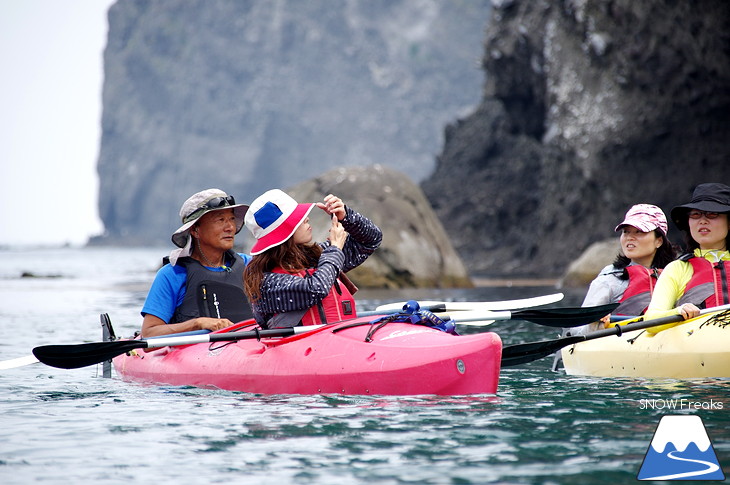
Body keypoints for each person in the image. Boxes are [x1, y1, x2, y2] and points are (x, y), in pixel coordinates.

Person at [243, 189, 382, 328]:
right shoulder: (266, 281)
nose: (306, 218)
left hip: (341, 342)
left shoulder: (314, 256)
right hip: (297, 348)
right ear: (284, 233)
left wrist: (346, 217)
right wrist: (335, 249)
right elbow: (316, 289)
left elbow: (372, 239)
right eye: (298, 218)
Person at [140, 189, 252, 337]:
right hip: (194, 354)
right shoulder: (172, 274)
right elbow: (149, 333)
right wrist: (198, 323)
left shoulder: (249, 265)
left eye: (231, 219)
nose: (230, 227)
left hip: (246, 348)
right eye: (220, 220)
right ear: (195, 230)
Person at [571, 204, 676, 336]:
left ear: (659, 241)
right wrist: (596, 324)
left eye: (639, 232)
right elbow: (577, 331)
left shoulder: (675, 273)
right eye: (626, 231)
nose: (629, 237)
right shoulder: (609, 278)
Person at [644, 182, 730, 333]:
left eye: (712, 214)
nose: (703, 220)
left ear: (729, 222)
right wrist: (678, 311)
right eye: (696, 215)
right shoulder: (677, 268)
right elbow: (651, 321)